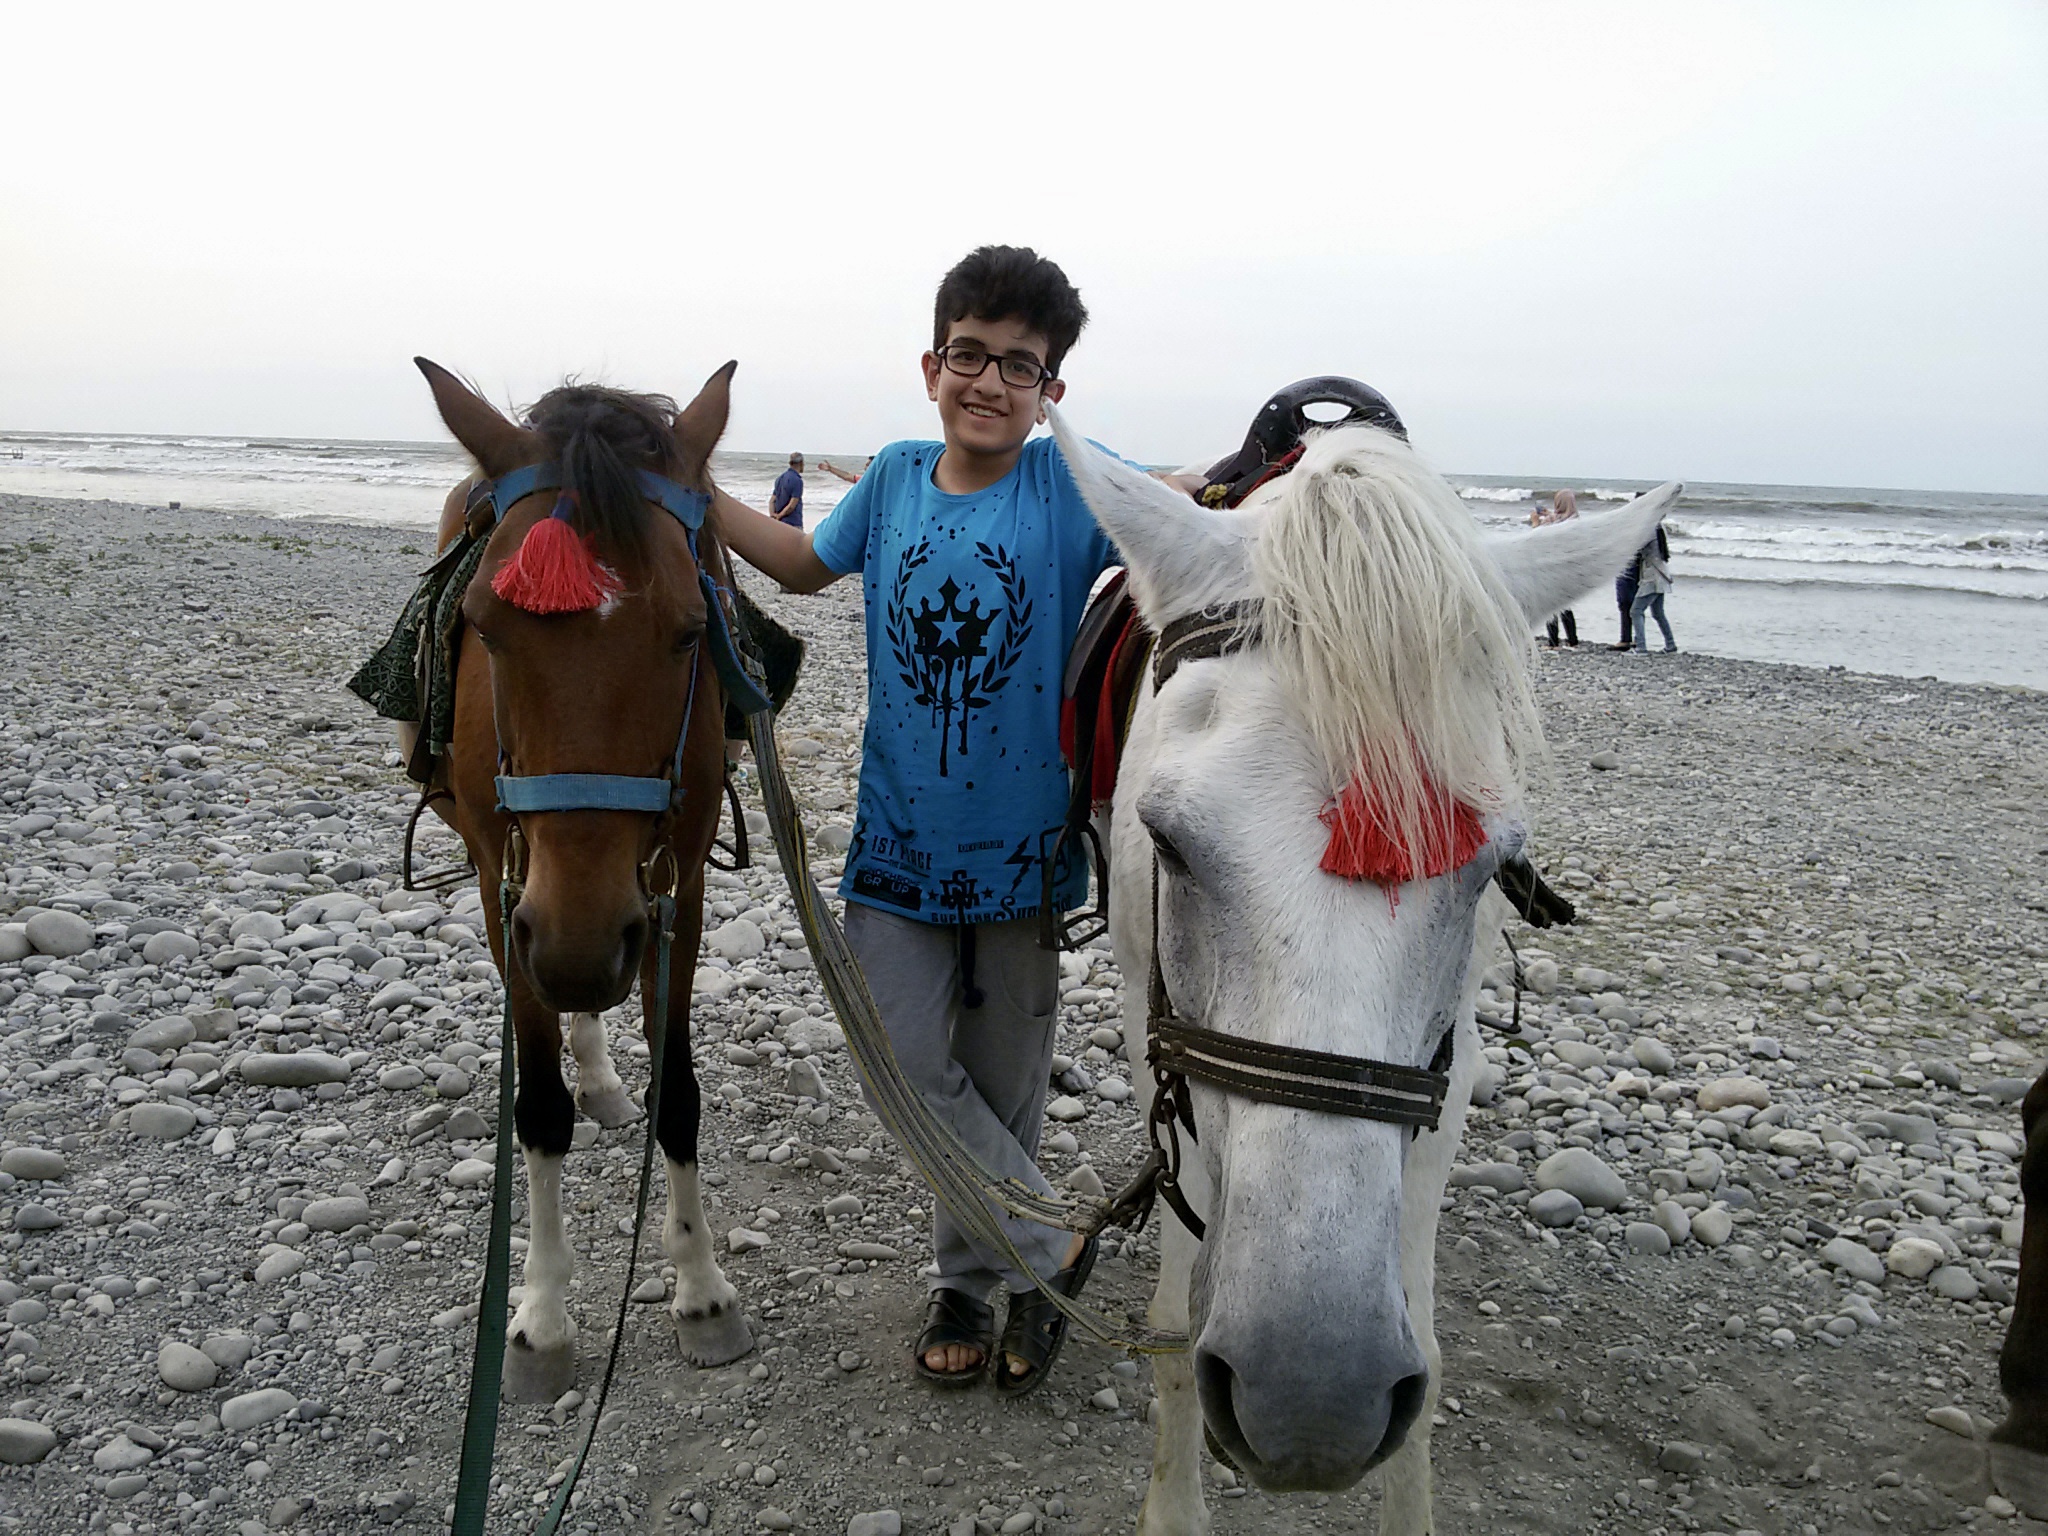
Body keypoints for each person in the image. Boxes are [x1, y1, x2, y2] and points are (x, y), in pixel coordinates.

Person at [711, 245, 1125, 1396]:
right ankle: (1050, 1248)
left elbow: (1186, 510)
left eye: (1020, 366)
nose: (989, 382)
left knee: (1001, 1089)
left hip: (1025, 856)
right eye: (969, 356)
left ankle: (973, 1280)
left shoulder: (1069, 485)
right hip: (893, 851)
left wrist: (1270, 481)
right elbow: (798, 567)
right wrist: (697, 495)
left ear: (1052, 391)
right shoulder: (893, 479)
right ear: (930, 362)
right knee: (900, 1067)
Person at [1533, 490, 1579, 647]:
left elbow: (1536, 539)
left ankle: (1553, 641)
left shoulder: (1551, 522)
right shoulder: (1575, 520)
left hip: (1551, 568)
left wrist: (1535, 522)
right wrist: (1549, 514)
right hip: (1569, 569)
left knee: (1551, 606)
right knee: (1566, 606)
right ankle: (1572, 639)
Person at [1629, 523, 1678, 653]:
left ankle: (1641, 647)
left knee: (1636, 611)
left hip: (1652, 576)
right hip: (1661, 573)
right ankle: (1670, 644)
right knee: (1658, 613)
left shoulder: (1649, 529)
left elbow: (1636, 546)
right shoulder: (1659, 527)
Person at [770, 452, 806, 528]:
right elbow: (792, 505)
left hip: (779, 523)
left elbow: (772, 501)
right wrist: (780, 515)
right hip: (793, 522)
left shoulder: (780, 478)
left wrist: (773, 515)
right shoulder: (797, 480)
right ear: (801, 463)